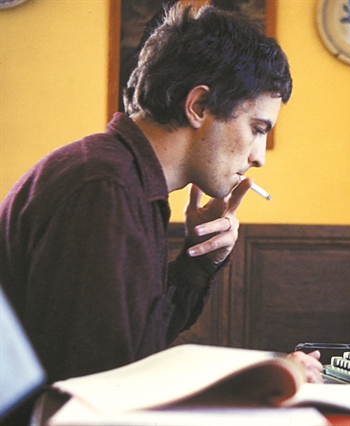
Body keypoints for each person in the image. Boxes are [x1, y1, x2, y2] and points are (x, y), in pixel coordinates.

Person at [0, 3, 322, 384]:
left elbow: (138, 348)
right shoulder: (107, 188)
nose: (259, 157)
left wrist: (199, 261)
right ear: (198, 105)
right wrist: (259, 382)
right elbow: (101, 390)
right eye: (257, 128)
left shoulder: (125, 180)